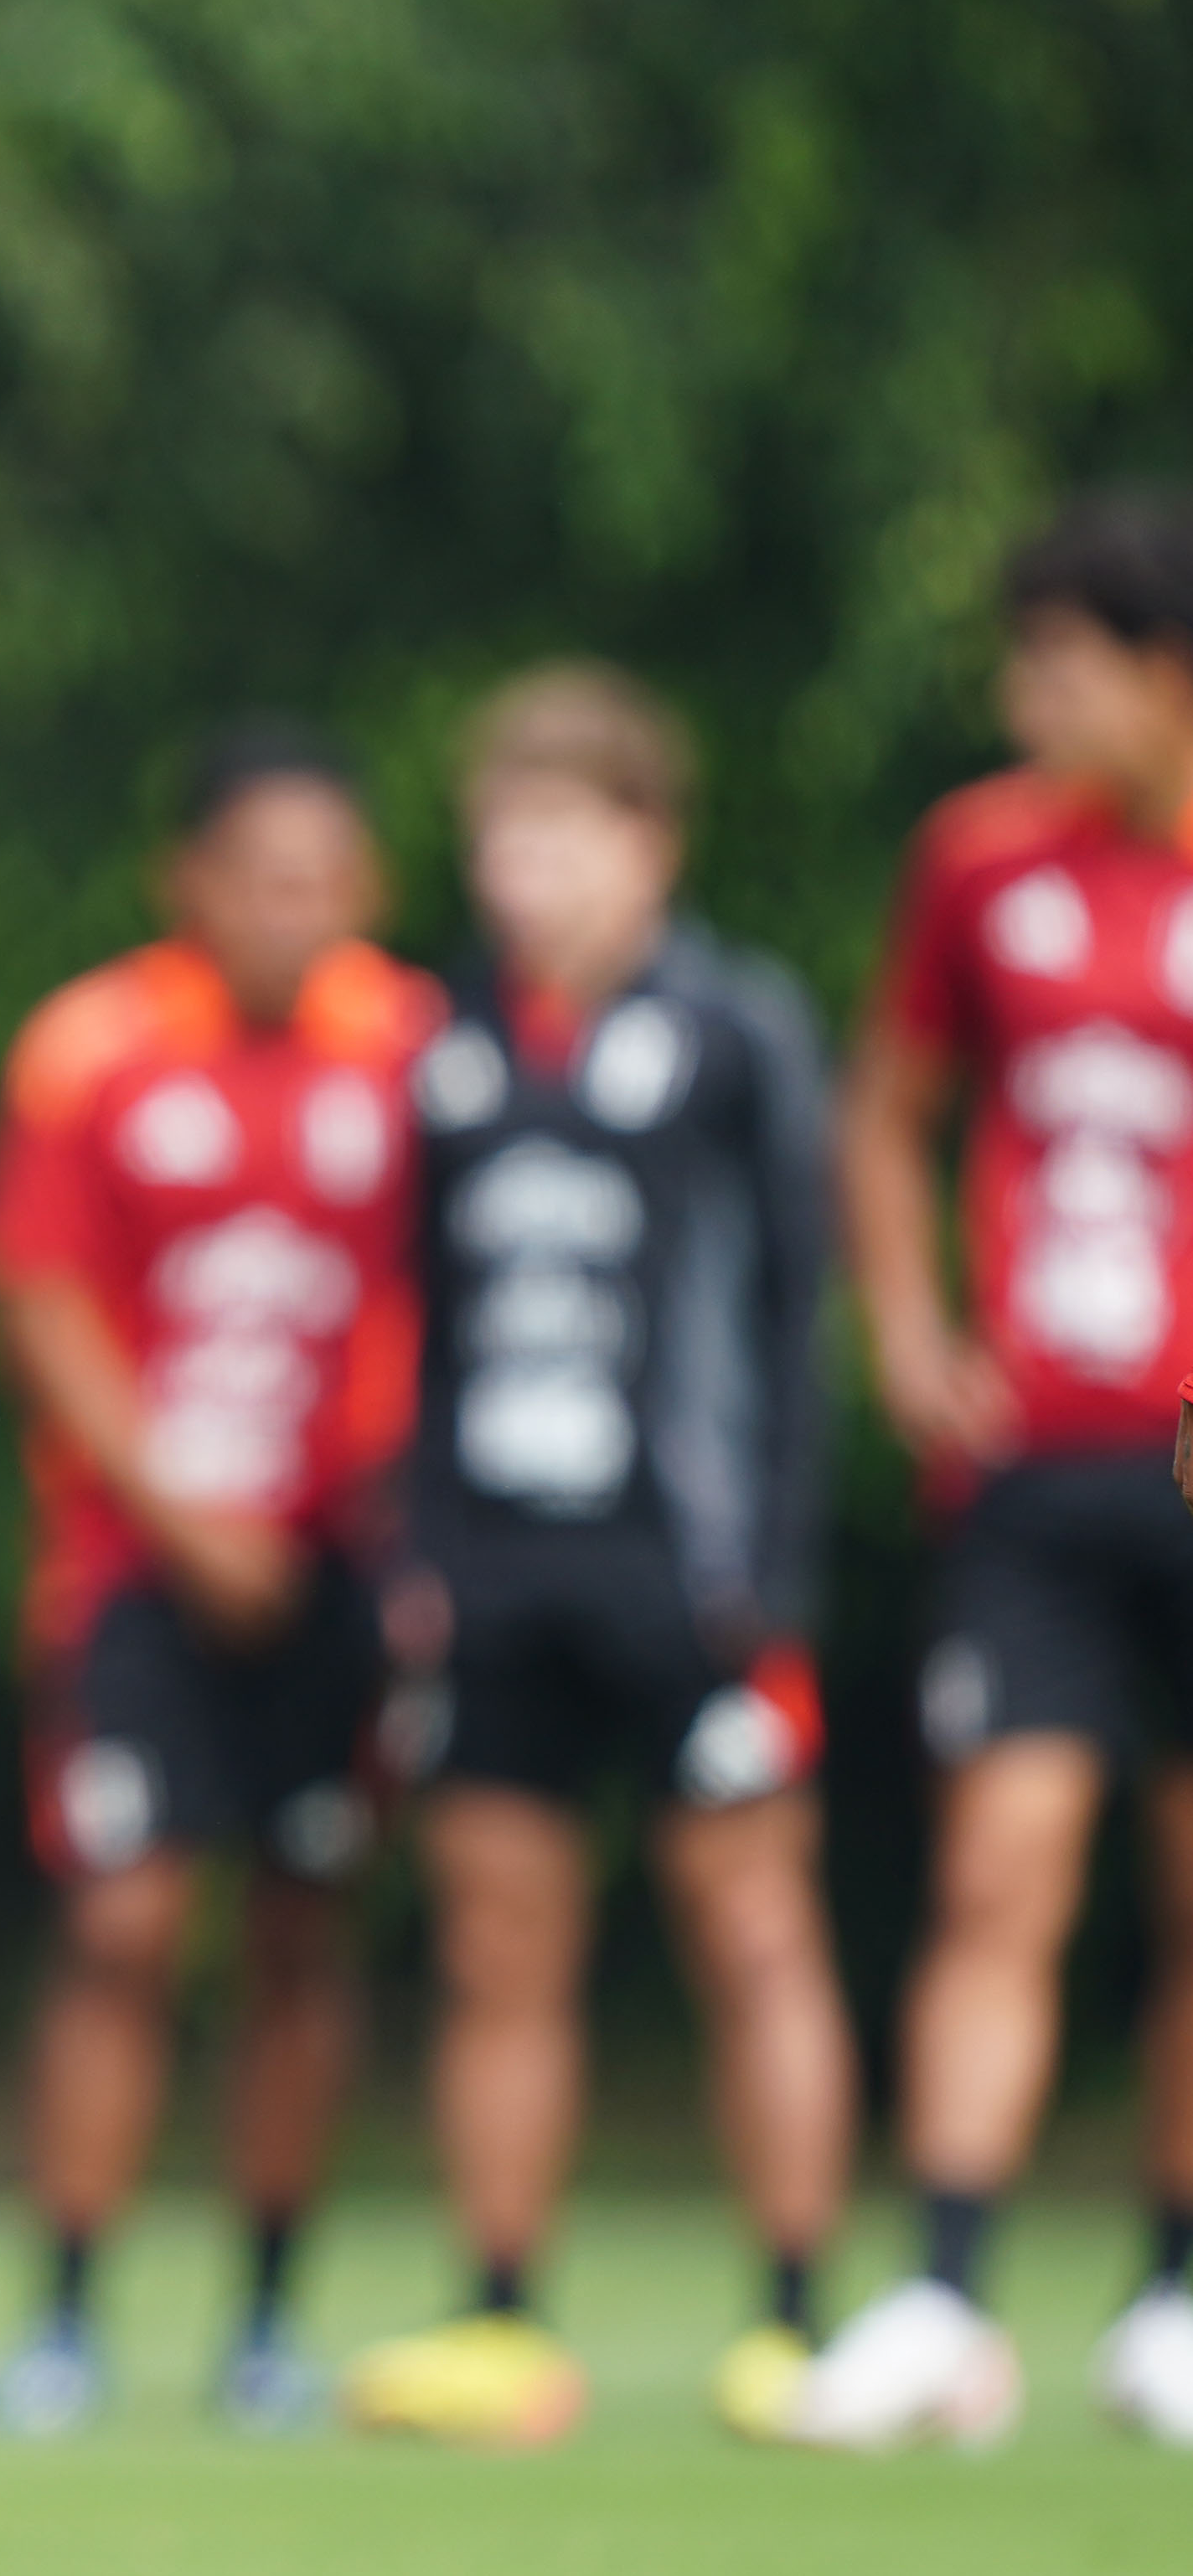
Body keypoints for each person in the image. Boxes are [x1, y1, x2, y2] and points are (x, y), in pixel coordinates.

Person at [342, 667, 851, 2451]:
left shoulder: (738, 1030)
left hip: (690, 1568)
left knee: (749, 1919)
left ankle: (797, 2318)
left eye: (562, 830)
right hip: (493, 1561)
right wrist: (410, 1542)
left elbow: (800, 1317)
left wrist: (777, 1576)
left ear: (652, 842)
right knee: (497, 1938)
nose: (522, 870)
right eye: (500, 834)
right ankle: (500, 2315)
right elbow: (410, 1304)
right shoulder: (449, 1043)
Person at [0, 729, 433, 2439]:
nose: (290, 908)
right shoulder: (95, 1046)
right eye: (259, 873)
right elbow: (38, 1293)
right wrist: (178, 1509)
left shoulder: (408, 1047)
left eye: (324, 877)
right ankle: (68, 2316)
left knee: (306, 1928)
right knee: (125, 1921)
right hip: (133, 1571)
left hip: (339, 1576)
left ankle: (265, 2319)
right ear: (190, 883)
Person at [798, 494, 1193, 2453]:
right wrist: (906, 1316)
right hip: (1038, 1453)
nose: (1029, 696)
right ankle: (947, 2294)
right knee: (1000, 1868)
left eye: (1065, 660)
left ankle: (1176, 2300)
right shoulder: (978, 860)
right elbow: (890, 1103)